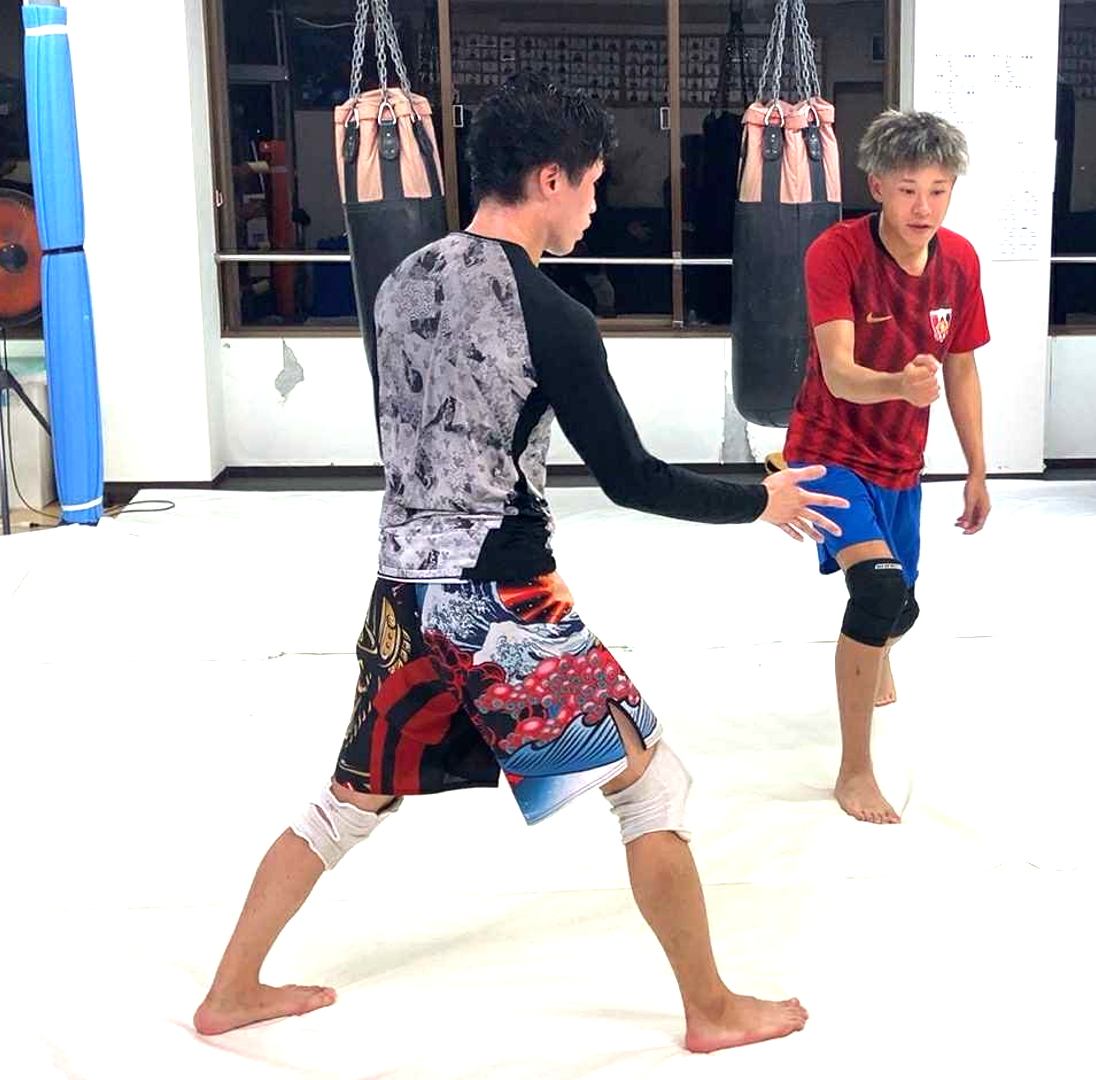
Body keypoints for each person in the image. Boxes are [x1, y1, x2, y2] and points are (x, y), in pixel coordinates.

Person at [194, 74, 844, 1054]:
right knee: (652, 786)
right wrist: (763, 501)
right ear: (549, 179)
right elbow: (631, 478)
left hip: (402, 590)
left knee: (350, 800)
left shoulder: (403, 280)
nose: (595, 206)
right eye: (591, 185)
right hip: (497, 602)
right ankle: (712, 1011)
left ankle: (230, 991)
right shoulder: (552, 315)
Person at [778, 110, 991, 824]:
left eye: (939, 189)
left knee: (903, 607)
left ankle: (880, 650)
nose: (923, 207)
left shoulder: (959, 261)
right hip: (827, 449)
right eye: (907, 190)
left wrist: (978, 470)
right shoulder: (835, 253)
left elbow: (961, 370)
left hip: (901, 461)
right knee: (875, 590)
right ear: (876, 187)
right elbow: (839, 373)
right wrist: (900, 383)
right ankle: (854, 770)